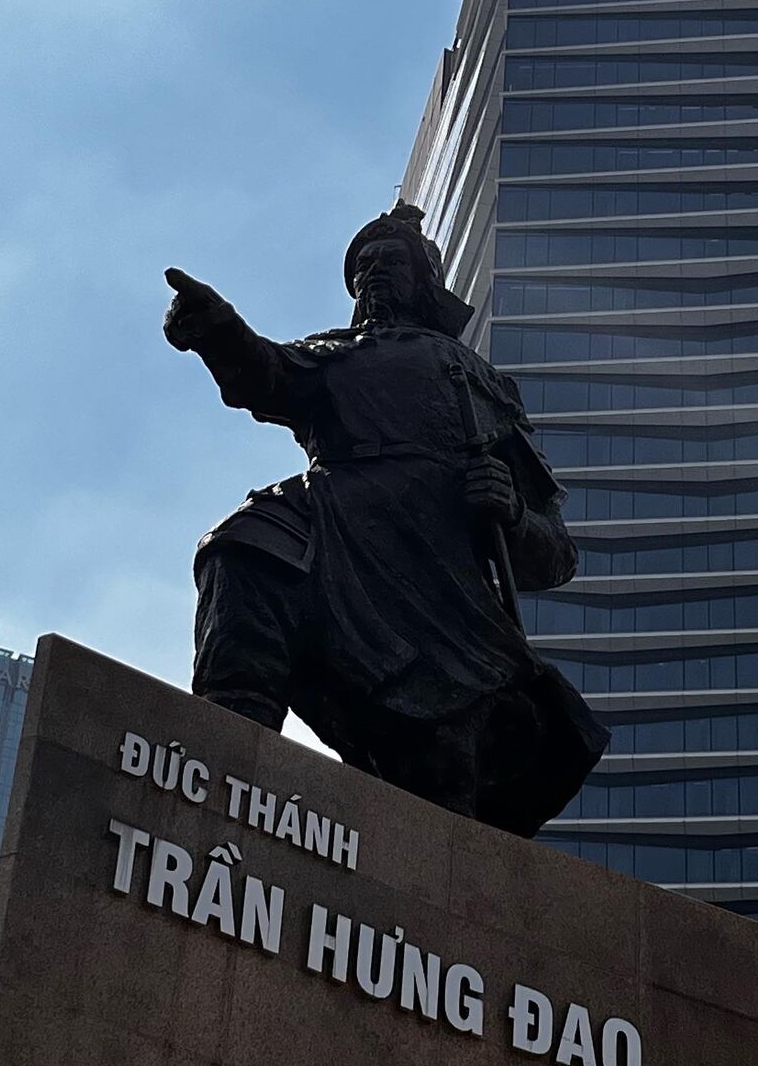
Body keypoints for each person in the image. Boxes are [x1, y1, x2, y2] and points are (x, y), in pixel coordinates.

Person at [163, 201, 608, 837]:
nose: (371, 274)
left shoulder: (478, 381)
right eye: (361, 267)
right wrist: (219, 328)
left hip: (431, 570)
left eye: (389, 261)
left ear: (424, 281)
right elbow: (266, 374)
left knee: (437, 768)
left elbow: (555, 554)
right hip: (329, 519)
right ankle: (225, 757)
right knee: (242, 547)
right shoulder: (334, 353)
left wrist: (510, 511)